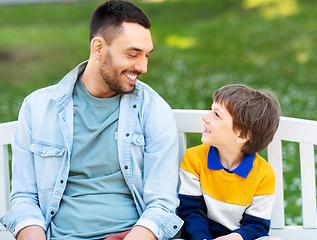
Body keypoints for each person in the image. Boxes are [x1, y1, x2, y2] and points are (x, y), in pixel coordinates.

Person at [0, 1, 183, 240]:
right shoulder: (37, 108)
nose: (143, 66)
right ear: (98, 48)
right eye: (132, 54)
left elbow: (162, 205)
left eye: (146, 55)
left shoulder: (153, 110)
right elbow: (25, 199)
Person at [178, 84, 283, 240]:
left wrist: (234, 238)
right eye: (210, 110)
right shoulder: (194, 158)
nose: (205, 118)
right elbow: (190, 211)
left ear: (242, 135)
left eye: (216, 115)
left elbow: (257, 225)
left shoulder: (264, 175)